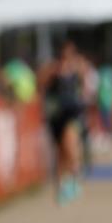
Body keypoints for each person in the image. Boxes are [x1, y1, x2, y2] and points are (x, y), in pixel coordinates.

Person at [38, 40, 87, 205]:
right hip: (56, 115)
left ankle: (74, 179)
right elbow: (41, 83)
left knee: (70, 145)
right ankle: (61, 187)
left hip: (72, 114)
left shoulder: (78, 67)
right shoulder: (53, 69)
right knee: (60, 153)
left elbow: (87, 84)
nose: (66, 57)